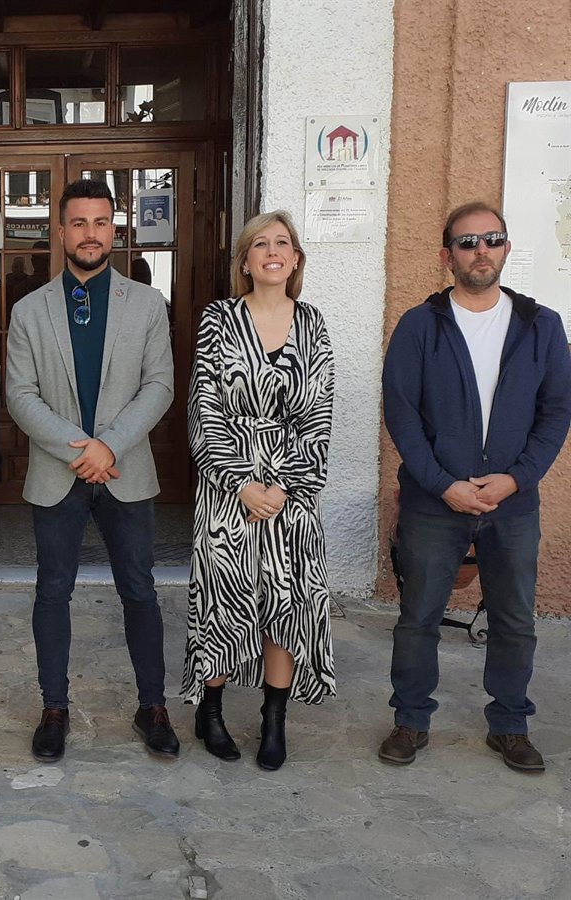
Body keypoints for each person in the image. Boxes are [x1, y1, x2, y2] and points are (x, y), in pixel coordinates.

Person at [378, 201, 571, 773]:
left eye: (492, 239)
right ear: (448, 256)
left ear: (506, 248)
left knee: (514, 620)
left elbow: (556, 412)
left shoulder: (541, 326)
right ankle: (410, 719)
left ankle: (510, 724)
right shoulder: (420, 325)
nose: (481, 251)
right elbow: (401, 414)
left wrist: (517, 478)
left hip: (512, 504)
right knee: (419, 616)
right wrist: (443, 485)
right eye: (467, 242)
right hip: (434, 503)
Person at [5, 179, 176, 763]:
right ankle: (54, 708)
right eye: (78, 223)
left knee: (140, 590)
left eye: (100, 222)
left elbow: (159, 385)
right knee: (53, 592)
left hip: (126, 472)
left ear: (114, 229)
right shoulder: (29, 310)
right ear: (60, 231)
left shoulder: (147, 304)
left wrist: (111, 448)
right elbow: (20, 395)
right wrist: (82, 450)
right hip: (59, 475)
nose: (90, 233)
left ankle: (152, 706)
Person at [182, 211, 335, 771]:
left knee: (285, 605)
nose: (272, 252)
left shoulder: (313, 324)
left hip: (292, 493)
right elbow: (204, 408)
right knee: (223, 601)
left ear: (295, 259)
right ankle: (211, 711)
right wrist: (242, 483)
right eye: (260, 244)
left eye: (283, 243)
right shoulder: (219, 319)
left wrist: (286, 487)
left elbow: (319, 414)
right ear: (245, 261)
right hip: (229, 489)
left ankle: (275, 719)